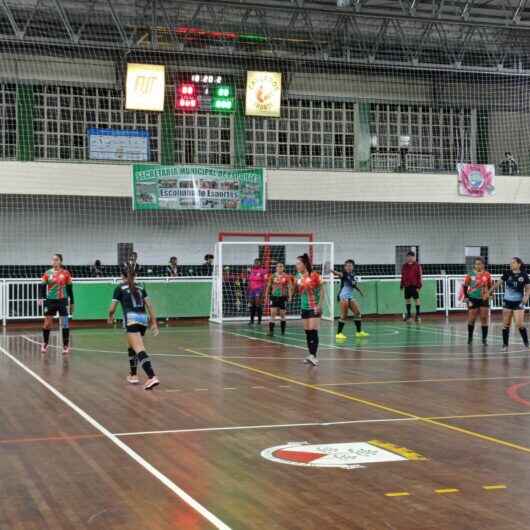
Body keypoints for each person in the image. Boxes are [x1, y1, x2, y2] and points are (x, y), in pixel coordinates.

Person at [108, 266, 160, 390]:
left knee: (139, 349)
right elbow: (150, 306)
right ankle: (133, 375)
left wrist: (110, 317)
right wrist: (154, 323)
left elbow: (112, 309)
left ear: (122, 276)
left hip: (131, 318)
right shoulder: (141, 287)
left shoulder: (119, 288)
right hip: (143, 319)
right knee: (132, 346)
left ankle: (152, 376)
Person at [38, 253, 74, 354]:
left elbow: (70, 289)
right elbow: (42, 286)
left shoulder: (66, 273)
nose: (54, 262)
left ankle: (66, 346)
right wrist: (40, 297)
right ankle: (45, 343)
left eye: (56, 260)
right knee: (47, 324)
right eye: (53, 260)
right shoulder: (47, 273)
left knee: (64, 324)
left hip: (62, 300)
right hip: (50, 301)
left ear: (61, 261)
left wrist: (72, 302)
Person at [493, 257, 530, 351]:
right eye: (511, 263)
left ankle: (526, 343)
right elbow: (498, 283)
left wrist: (526, 297)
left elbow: (528, 288)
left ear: (519, 264)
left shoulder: (524, 275)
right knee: (506, 324)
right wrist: (489, 291)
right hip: (507, 302)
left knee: (519, 324)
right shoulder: (507, 273)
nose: (511, 264)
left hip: (518, 302)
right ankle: (505, 345)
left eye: (513, 262)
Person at [295, 253, 325, 366]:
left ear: (305, 264)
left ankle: (313, 356)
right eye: (296, 264)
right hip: (304, 307)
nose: (297, 266)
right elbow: (297, 291)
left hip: (314, 307)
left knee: (313, 330)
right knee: (308, 332)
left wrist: (320, 305)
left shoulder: (314, 275)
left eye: (298, 263)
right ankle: (311, 355)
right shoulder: (298, 276)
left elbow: (322, 290)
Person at [333, 259, 369, 340]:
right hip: (343, 297)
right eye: (347, 266)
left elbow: (353, 285)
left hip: (350, 296)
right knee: (344, 315)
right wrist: (332, 270)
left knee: (357, 313)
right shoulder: (344, 274)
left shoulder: (352, 275)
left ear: (353, 267)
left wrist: (360, 291)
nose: (349, 267)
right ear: (345, 267)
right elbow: (338, 273)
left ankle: (359, 332)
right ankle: (339, 333)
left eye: (351, 265)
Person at [462, 257, 493, 346]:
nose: (477, 265)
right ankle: (470, 337)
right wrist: (467, 297)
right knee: (471, 319)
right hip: (473, 298)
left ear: (483, 264)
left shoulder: (487, 274)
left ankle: (484, 339)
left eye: (479, 264)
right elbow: (465, 286)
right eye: (476, 264)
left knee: (484, 318)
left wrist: (489, 294)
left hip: (484, 299)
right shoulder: (470, 274)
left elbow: (490, 285)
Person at [266, 262, 293, 336]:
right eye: (278, 266)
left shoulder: (286, 276)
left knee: (283, 315)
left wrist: (290, 296)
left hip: (283, 297)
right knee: (272, 314)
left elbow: (290, 287)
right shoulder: (272, 276)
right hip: (274, 297)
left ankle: (283, 331)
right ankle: (271, 332)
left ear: (283, 268)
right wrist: (266, 296)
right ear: (276, 268)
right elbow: (268, 286)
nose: (280, 268)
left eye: (281, 266)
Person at [400, 251, 422, 322]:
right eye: (408, 257)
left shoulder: (417, 266)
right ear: (407, 257)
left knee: (417, 300)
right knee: (407, 300)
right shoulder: (404, 266)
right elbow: (403, 276)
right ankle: (409, 315)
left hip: (414, 286)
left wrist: (419, 286)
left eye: (412, 257)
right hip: (407, 286)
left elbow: (419, 276)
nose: (410, 258)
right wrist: (402, 285)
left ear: (414, 257)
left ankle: (418, 315)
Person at [247, 258, 268, 325]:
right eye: (255, 262)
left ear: (260, 263)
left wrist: (264, 290)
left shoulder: (264, 271)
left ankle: (259, 320)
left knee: (258, 304)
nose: (256, 264)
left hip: (259, 289)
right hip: (251, 290)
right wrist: (248, 287)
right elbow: (250, 279)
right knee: (251, 304)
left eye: (258, 262)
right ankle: (252, 320)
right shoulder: (251, 271)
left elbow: (265, 280)